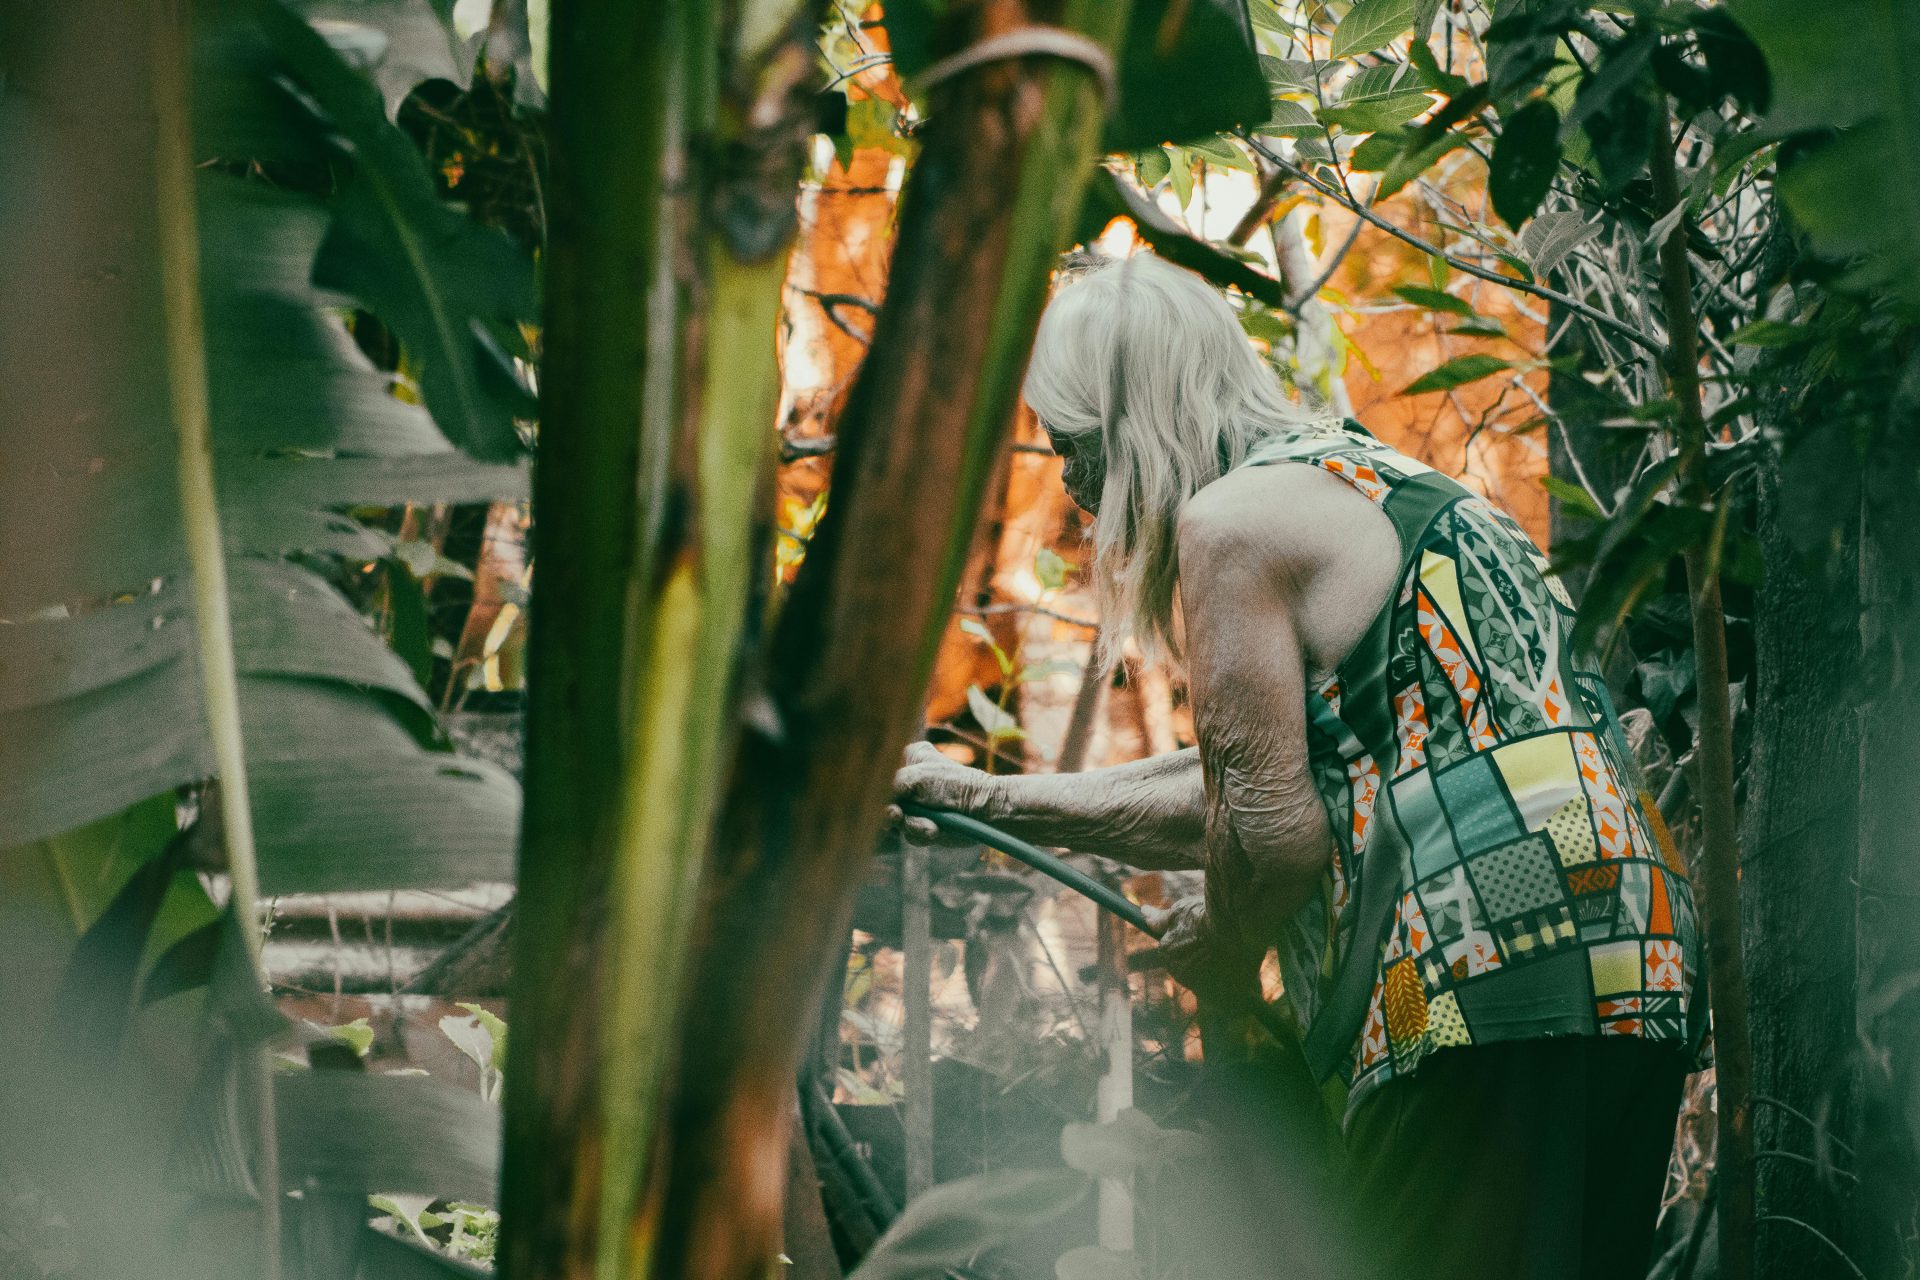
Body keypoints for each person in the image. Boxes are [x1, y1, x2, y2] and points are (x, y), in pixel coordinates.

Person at [889, 252, 1705, 1279]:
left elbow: (1270, 832)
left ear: (1134, 422)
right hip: (1635, 954)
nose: (1068, 484)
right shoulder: (1375, 480)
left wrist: (1225, 943)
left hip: (1473, 964)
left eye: (1075, 447)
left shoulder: (1228, 522)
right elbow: (1250, 784)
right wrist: (978, 793)